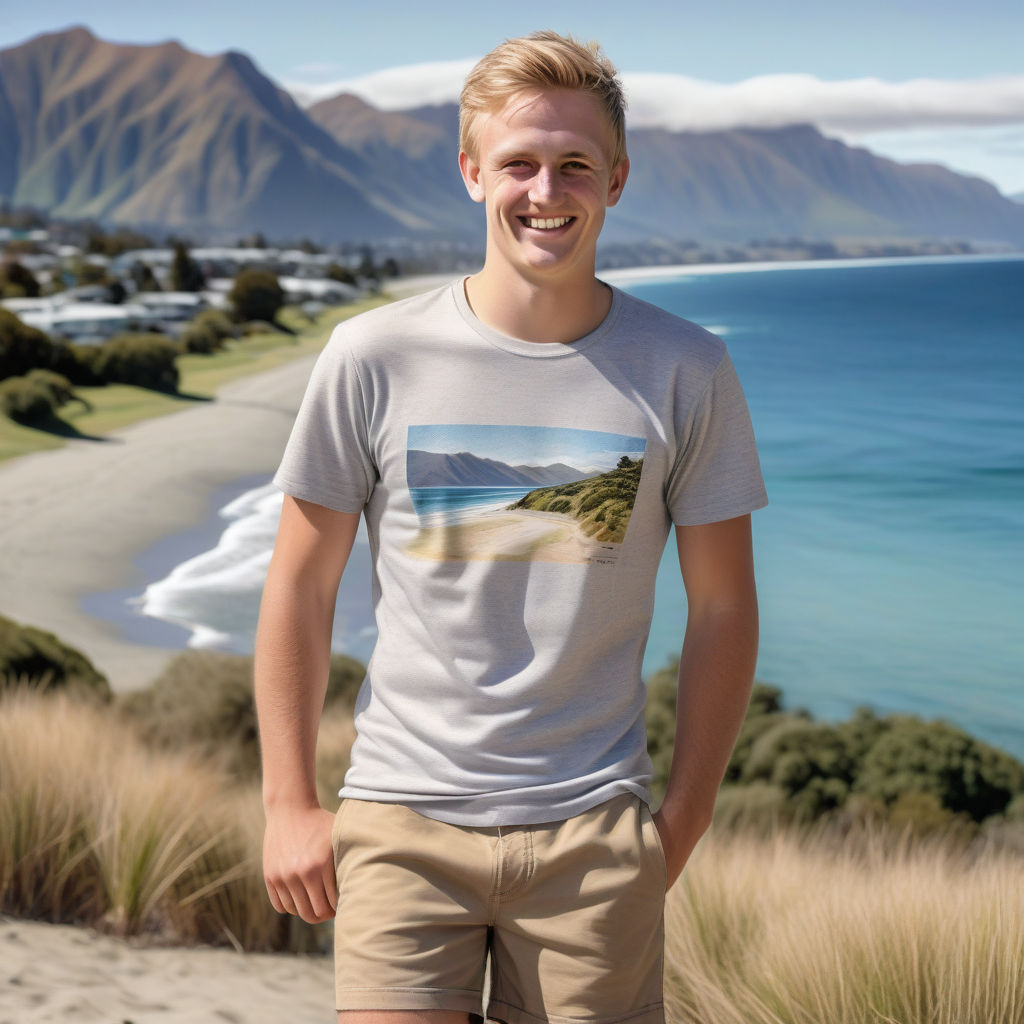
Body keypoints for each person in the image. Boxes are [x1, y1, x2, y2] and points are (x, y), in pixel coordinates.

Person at [255, 30, 767, 1024]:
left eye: (574, 163)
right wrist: (288, 803)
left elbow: (724, 603)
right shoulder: (370, 355)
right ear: (470, 172)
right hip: (401, 824)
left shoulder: (686, 367)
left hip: (592, 841)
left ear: (615, 179)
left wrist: (684, 817)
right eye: (519, 163)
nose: (546, 190)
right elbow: (298, 584)